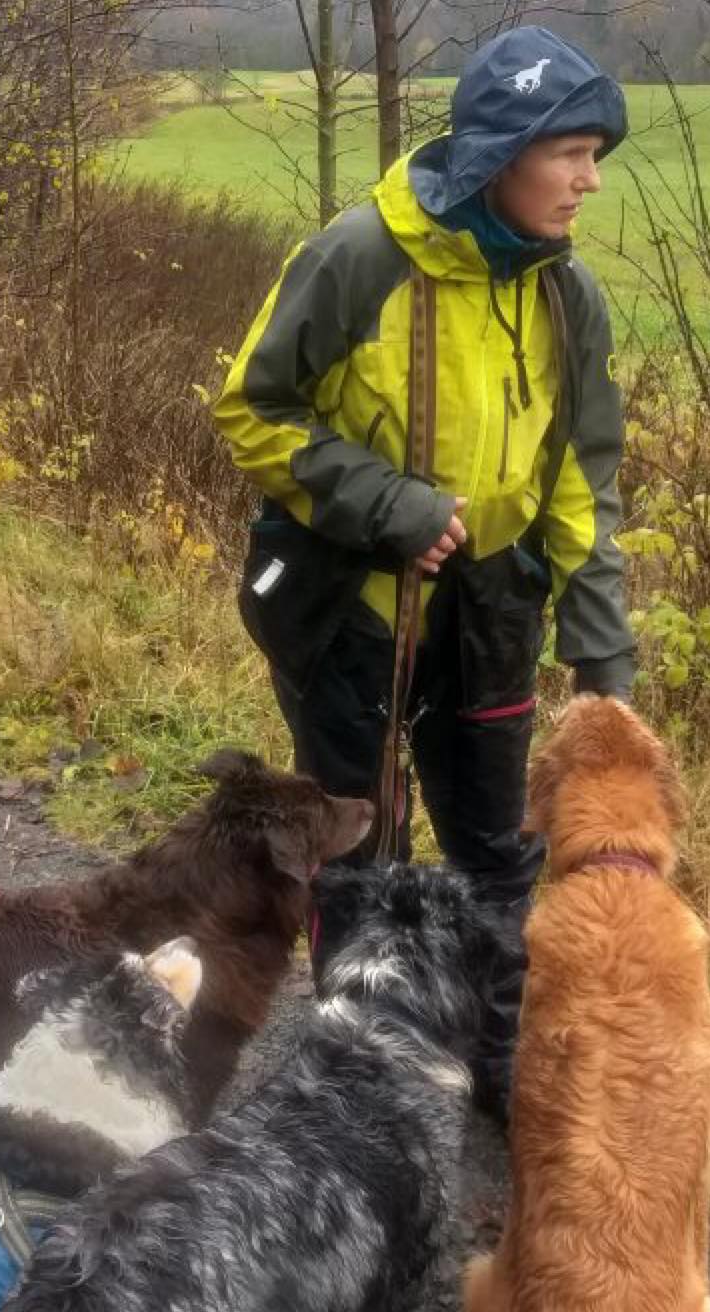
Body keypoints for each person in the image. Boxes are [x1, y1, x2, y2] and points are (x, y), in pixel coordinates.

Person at [213, 26, 636, 1118]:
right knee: (363, 847)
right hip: (353, 611)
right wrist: (387, 504)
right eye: (571, 152)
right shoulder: (361, 257)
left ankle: (499, 1072)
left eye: (598, 154)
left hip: (496, 609)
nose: (591, 179)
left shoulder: (565, 294)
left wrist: (602, 657)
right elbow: (252, 411)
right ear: (502, 151)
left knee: (499, 849)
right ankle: (364, 1083)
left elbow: (584, 472)